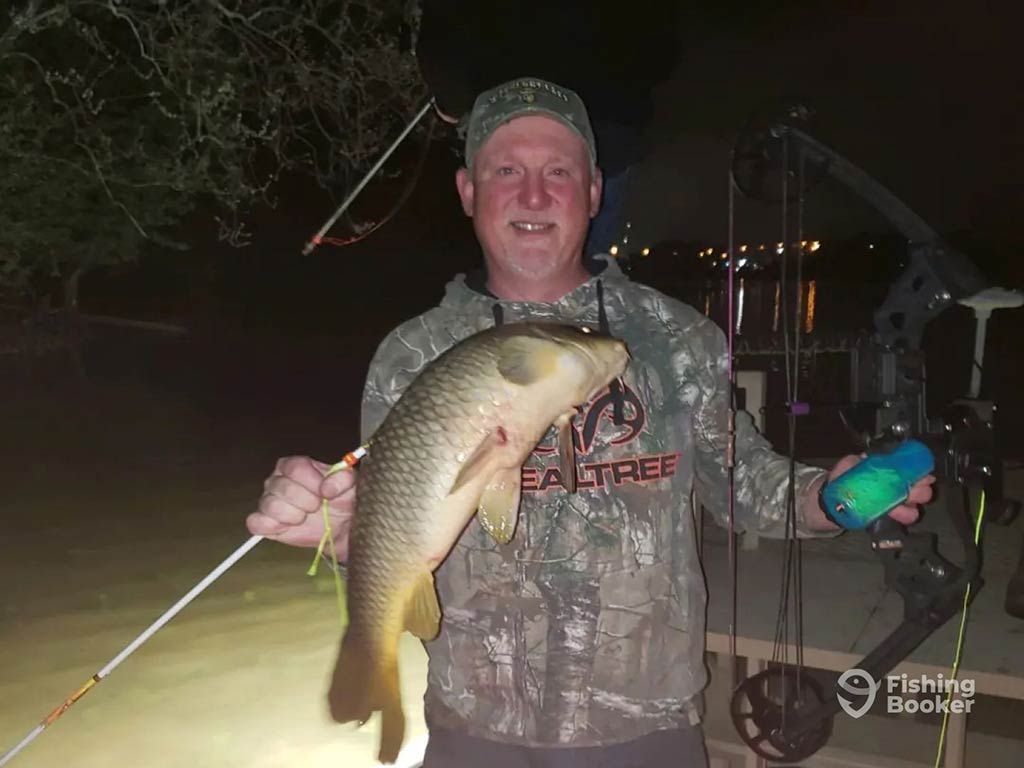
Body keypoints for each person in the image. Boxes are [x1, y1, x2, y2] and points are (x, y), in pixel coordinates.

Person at [247, 77, 933, 767]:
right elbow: (398, 532)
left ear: (596, 191)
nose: (534, 195)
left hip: (647, 728)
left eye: (559, 172)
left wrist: (829, 497)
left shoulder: (674, 336)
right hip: (472, 728)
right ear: (467, 191)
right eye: (507, 170)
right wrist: (337, 534)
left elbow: (743, 485)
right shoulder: (412, 354)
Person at [412, 1, 682, 265]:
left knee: (506, 270)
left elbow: (443, 33)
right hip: (604, 124)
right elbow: (660, 47)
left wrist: (453, 99)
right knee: (578, 273)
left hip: (518, 120)